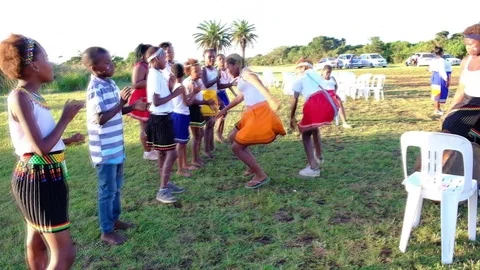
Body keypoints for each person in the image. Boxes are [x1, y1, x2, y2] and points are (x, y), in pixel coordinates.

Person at [1, 34, 84, 269]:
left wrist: (66, 140)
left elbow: (34, 142)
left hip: (41, 175)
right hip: (40, 179)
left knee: (37, 240)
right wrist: (66, 118)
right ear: (34, 65)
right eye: (46, 57)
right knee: (64, 255)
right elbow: (41, 148)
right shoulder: (20, 96)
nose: (51, 63)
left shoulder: (33, 96)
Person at [83, 46, 147, 245]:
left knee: (116, 188)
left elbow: (114, 111)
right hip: (104, 150)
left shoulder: (110, 83)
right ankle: (106, 230)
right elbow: (100, 118)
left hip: (116, 147)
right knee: (107, 190)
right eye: (108, 62)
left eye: (112, 60)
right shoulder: (95, 88)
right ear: (95, 68)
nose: (113, 65)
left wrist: (131, 106)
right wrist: (121, 104)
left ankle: (114, 219)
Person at [216, 54, 286, 189]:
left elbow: (256, 81)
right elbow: (241, 96)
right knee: (232, 137)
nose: (227, 71)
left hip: (258, 113)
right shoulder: (242, 76)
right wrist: (223, 110)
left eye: (228, 67)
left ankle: (260, 175)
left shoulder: (247, 73)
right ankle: (251, 166)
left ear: (235, 64)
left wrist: (271, 99)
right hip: (250, 113)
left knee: (237, 147)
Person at [145, 46, 185, 203]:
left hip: (161, 118)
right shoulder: (154, 75)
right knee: (172, 153)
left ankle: (166, 184)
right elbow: (156, 101)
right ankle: (162, 190)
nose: (166, 60)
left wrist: (169, 86)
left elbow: (160, 95)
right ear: (156, 59)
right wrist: (175, 93)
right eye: (163, 58)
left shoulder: (157, 74)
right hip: (161, 119)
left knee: (163, 153)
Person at [290, 59, 338, 177]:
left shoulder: (300, 77)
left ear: (301, 68)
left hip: (314, 102)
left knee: (305, 133)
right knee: (313, 128)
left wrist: (291, 117)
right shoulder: (316, 74)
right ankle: (319, 156)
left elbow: (294, 99)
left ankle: (313, 167)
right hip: (327, 102)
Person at [442, 23, 480, 142]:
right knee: (449, 127)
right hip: (467, 103)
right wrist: (448, 112)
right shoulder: (465, 61)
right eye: (466, 45)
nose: (467, 48)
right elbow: (460, 90)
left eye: (471, 44)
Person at [183, 58, 215, 168]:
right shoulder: (190, 83)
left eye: (199, 70)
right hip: (193, 110)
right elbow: (192, 101)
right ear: (188, 72)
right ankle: (194, 159)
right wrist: (205, 102)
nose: (199, 73)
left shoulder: (197, 81)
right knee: (197, 135)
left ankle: (197, 157)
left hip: (197, 109)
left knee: (200, 134)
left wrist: (205, 102)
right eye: (196, 71)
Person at [128, 43, 157, 160]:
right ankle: (147, 152)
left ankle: (152, 148)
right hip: (141, 99)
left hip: (148, 98)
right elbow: (136, 83)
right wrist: (153, 80)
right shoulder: (140, 66)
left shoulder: (147, 65)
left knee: (150, 125)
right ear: (143, 54)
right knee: (145, 126)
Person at [170, 63, 197, 176]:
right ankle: (180, 169)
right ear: (183, 73)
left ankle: (184, 164)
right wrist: (195, 93)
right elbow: (187, 102)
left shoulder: (176, 86)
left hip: (180, 115)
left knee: (183, 142)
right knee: (180, 144)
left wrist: (192, 93)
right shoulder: (180, 87)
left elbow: (185, 98)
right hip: (180, 116)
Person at [201, 49, 220, 158]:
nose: (212, 59)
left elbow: (217, 86)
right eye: (209, 57)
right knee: (209, 123)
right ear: (204, 58)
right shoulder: (204, 69)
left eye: (213, 57)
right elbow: (206, 84)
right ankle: (206, 150)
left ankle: (211, 146)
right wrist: (217, 78)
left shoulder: (215, 69)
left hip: (213, 96)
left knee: (212, 123)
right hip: (206, 96)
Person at [215, 53, 237, 142]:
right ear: (216, 62)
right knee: (221, 114)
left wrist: (234, 93)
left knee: (225, 113)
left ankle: (220, 134)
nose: (222, 61)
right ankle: (217, 133)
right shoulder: (217, 72)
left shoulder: (226, 71)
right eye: (220, 59)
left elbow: (228, 84)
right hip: (218, 94)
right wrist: (231, 84)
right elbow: (219, 86)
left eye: (223, 59)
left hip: (224, 94)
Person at [429, 46, 451, 116]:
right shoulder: (441, 60)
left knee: (436, 93)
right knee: (438, 94)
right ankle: (436, 110)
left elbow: (430, 69)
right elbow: (442, 71)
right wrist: (446, 79)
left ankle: (438, 108)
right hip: (440, 78)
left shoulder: (433, 60)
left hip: (434, 77)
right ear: (441, 52)